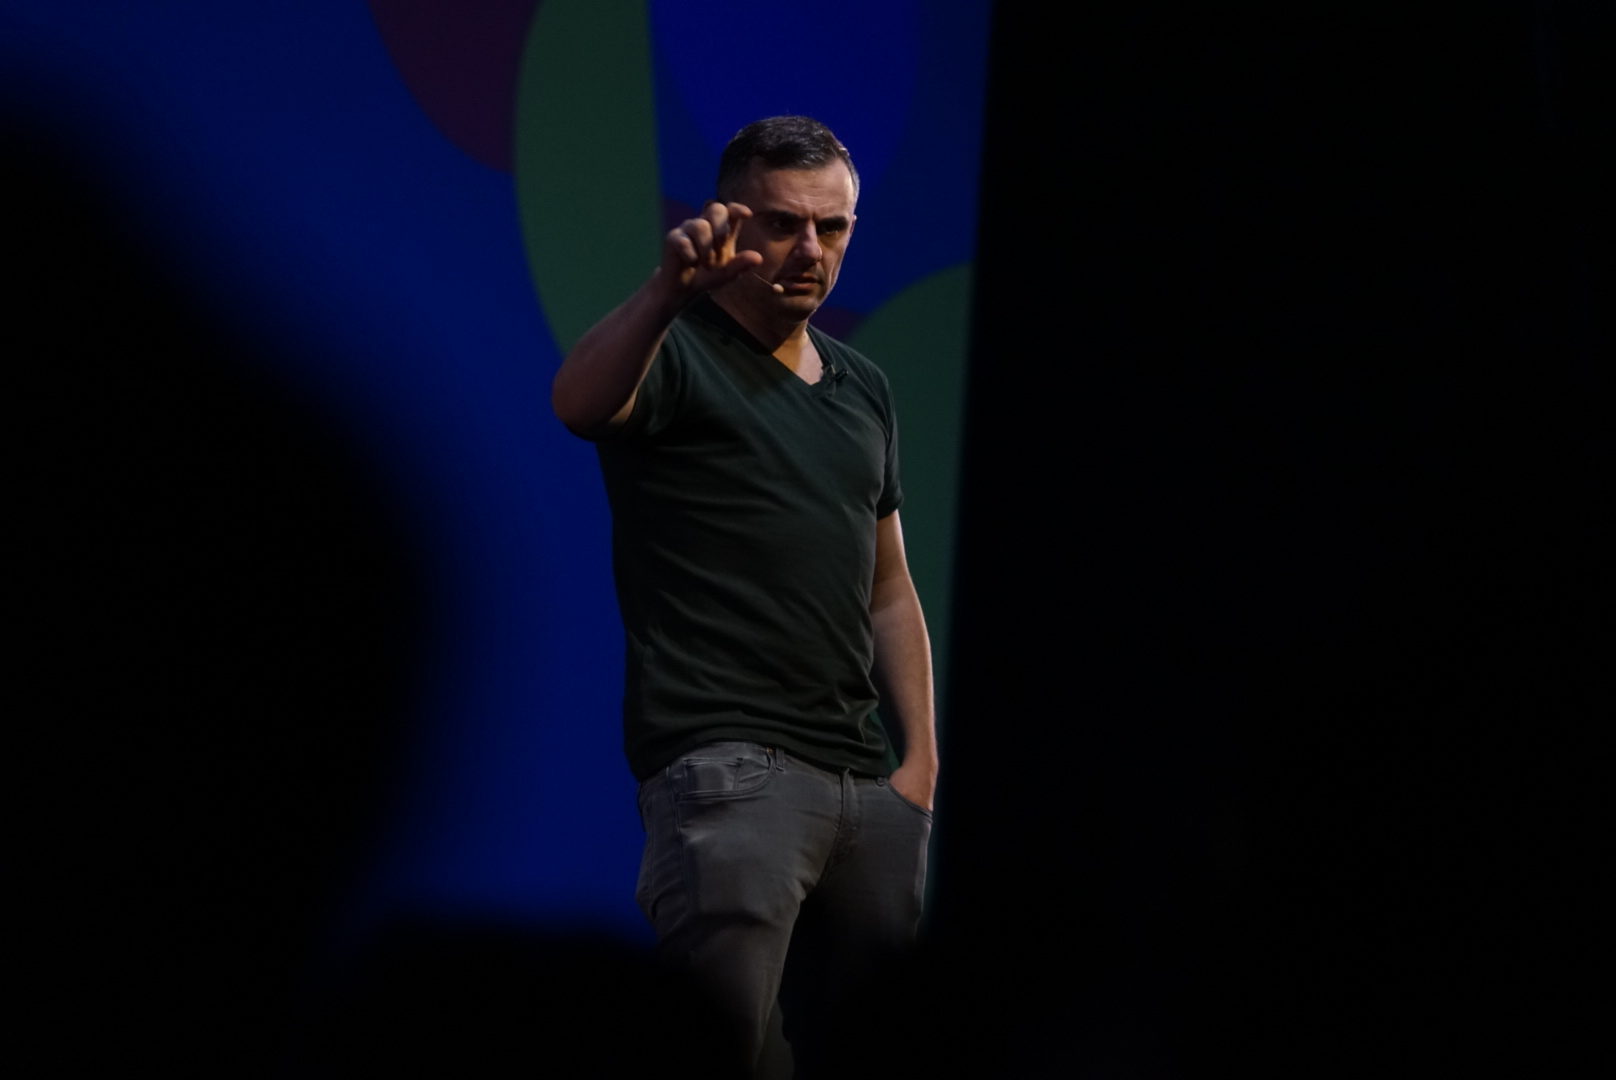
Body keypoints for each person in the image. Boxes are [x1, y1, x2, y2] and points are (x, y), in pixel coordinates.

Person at [552, 116, 937, 1076]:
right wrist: (665, 292)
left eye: (834, 227)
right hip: (733, 773)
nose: (810, 250)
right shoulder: (677, 350)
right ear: (729, 219)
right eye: (782, 222)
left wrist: (921, 768)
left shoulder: (864, 388)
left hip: (866, 788)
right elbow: (580, 405)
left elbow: (889, 588)